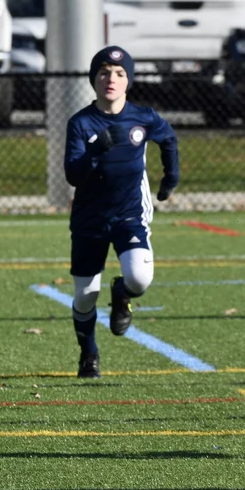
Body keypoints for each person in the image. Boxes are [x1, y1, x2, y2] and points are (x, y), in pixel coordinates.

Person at [64, 45, 179, 379]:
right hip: (89, 219)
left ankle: (121, 293)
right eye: (103, 73)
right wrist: (96, 150)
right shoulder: (81, 123)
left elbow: (168, 139)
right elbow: (73, 175)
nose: (110, 79)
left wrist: (170, 178)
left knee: (140, 278)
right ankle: (89, 353)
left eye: (119, 73)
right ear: (94, 79)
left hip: (129, 213)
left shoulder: (143, 117)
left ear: (129, 80)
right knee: (85, 297)